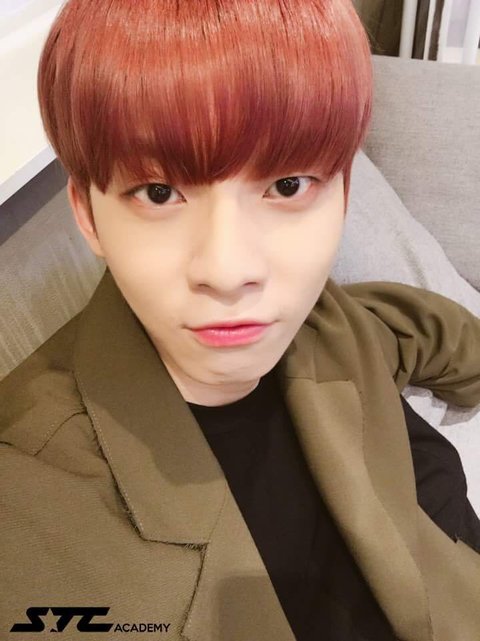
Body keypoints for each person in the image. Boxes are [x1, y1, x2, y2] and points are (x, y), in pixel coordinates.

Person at [1, 0, 480, 639]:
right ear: (87, 214)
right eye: (159, 193)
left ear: (343, 195)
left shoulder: (330, 323)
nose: (228, 272)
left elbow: (415, 329)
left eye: (287, 186)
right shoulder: (33, 499)